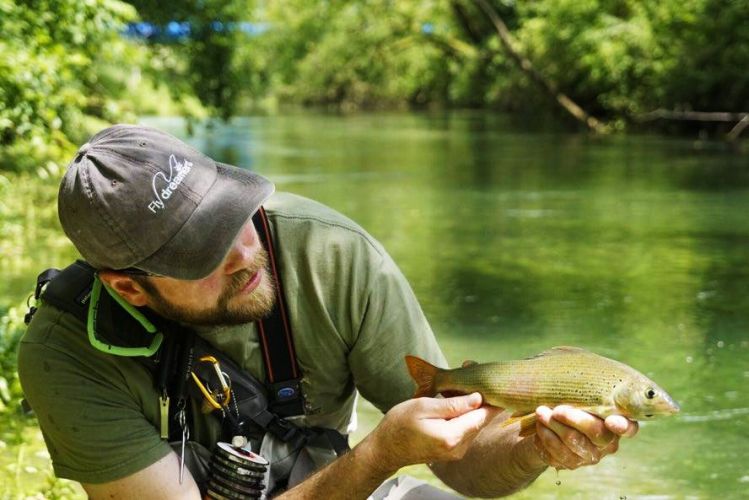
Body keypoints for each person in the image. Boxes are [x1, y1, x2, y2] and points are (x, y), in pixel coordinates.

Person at [18, 125, 637, 499]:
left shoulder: (330, 254)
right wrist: (378, 454)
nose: (245, 251)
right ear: (130, 289)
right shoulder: (65, 351)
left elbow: (468, 464)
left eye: (232, 211)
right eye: (204, 250)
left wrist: (535, 446)